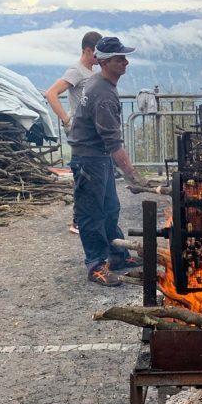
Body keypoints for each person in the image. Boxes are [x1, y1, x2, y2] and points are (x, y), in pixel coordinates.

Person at [68, 36, 148, 287]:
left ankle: (117, 255)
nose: (125, 62)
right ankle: (96, 265)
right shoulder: (102, 94)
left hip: (98, 158)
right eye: (118, 59)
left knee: (110, 209)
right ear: (103, 62)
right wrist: (133, 176)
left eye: (124, 57)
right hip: (89, 160)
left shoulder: (101, 83)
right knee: (92, 214)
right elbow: (113, 142)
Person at [46, 31, 102, 234]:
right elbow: (51, 93)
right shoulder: (76, 71)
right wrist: (67, 120)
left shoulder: (93, 72)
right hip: (81, 133)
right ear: (88, 50)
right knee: (84, 175)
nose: (100, 57)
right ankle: (78, 221)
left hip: (93, 132)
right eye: (97, 53)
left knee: (94, 176)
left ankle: (90, 218)